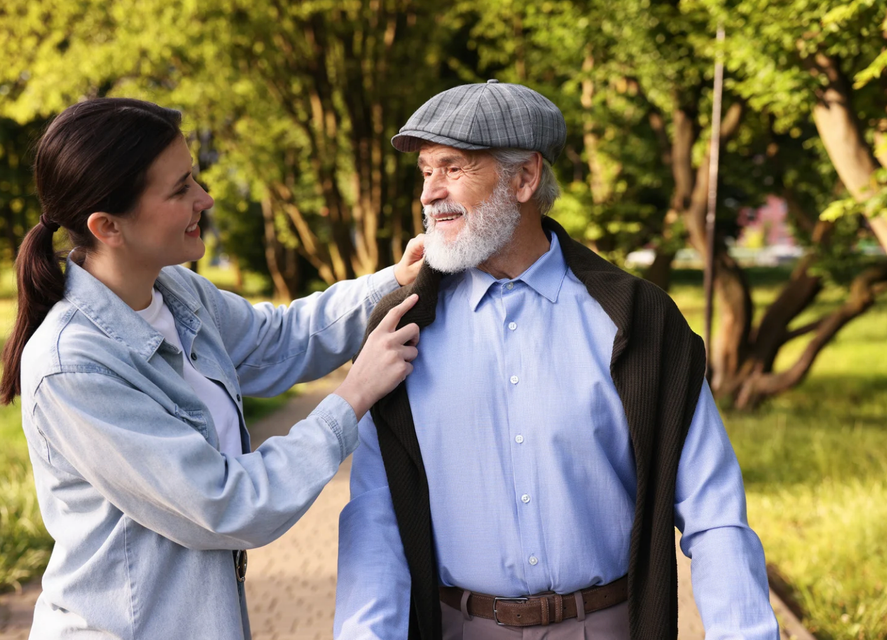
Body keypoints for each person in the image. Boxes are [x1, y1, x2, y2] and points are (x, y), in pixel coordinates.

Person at [334, 81, 780, 639]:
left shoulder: (640, 321)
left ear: (525, 178)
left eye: (452, 168)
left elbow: (715, 513)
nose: (429, 192)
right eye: (426, 170)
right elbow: (375, 518)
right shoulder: (400, 329)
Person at [0, 97, 425, 640]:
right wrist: (351, 399)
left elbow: (278, 339)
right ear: (107, 226)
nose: (206, 198)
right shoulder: (72, 366)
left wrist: (395, 280)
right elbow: (227, 504)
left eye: (193, 177)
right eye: (180, 190)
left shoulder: (175, 291)